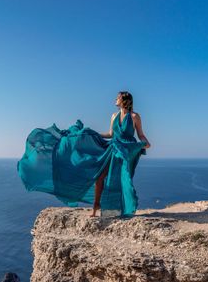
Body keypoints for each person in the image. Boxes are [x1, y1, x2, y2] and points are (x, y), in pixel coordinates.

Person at [17, 91, 150, 217]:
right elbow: (110, 134)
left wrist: (145, 143)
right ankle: (96, 206)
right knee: (99, 178)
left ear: (124, 100)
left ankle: (123, 208)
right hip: (113, 148)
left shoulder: (134, 117)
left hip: (126, 150)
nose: (115, 99)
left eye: (118, 97)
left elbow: (141, 135)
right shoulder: (114, 116)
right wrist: (92, 134)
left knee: (122, 179)